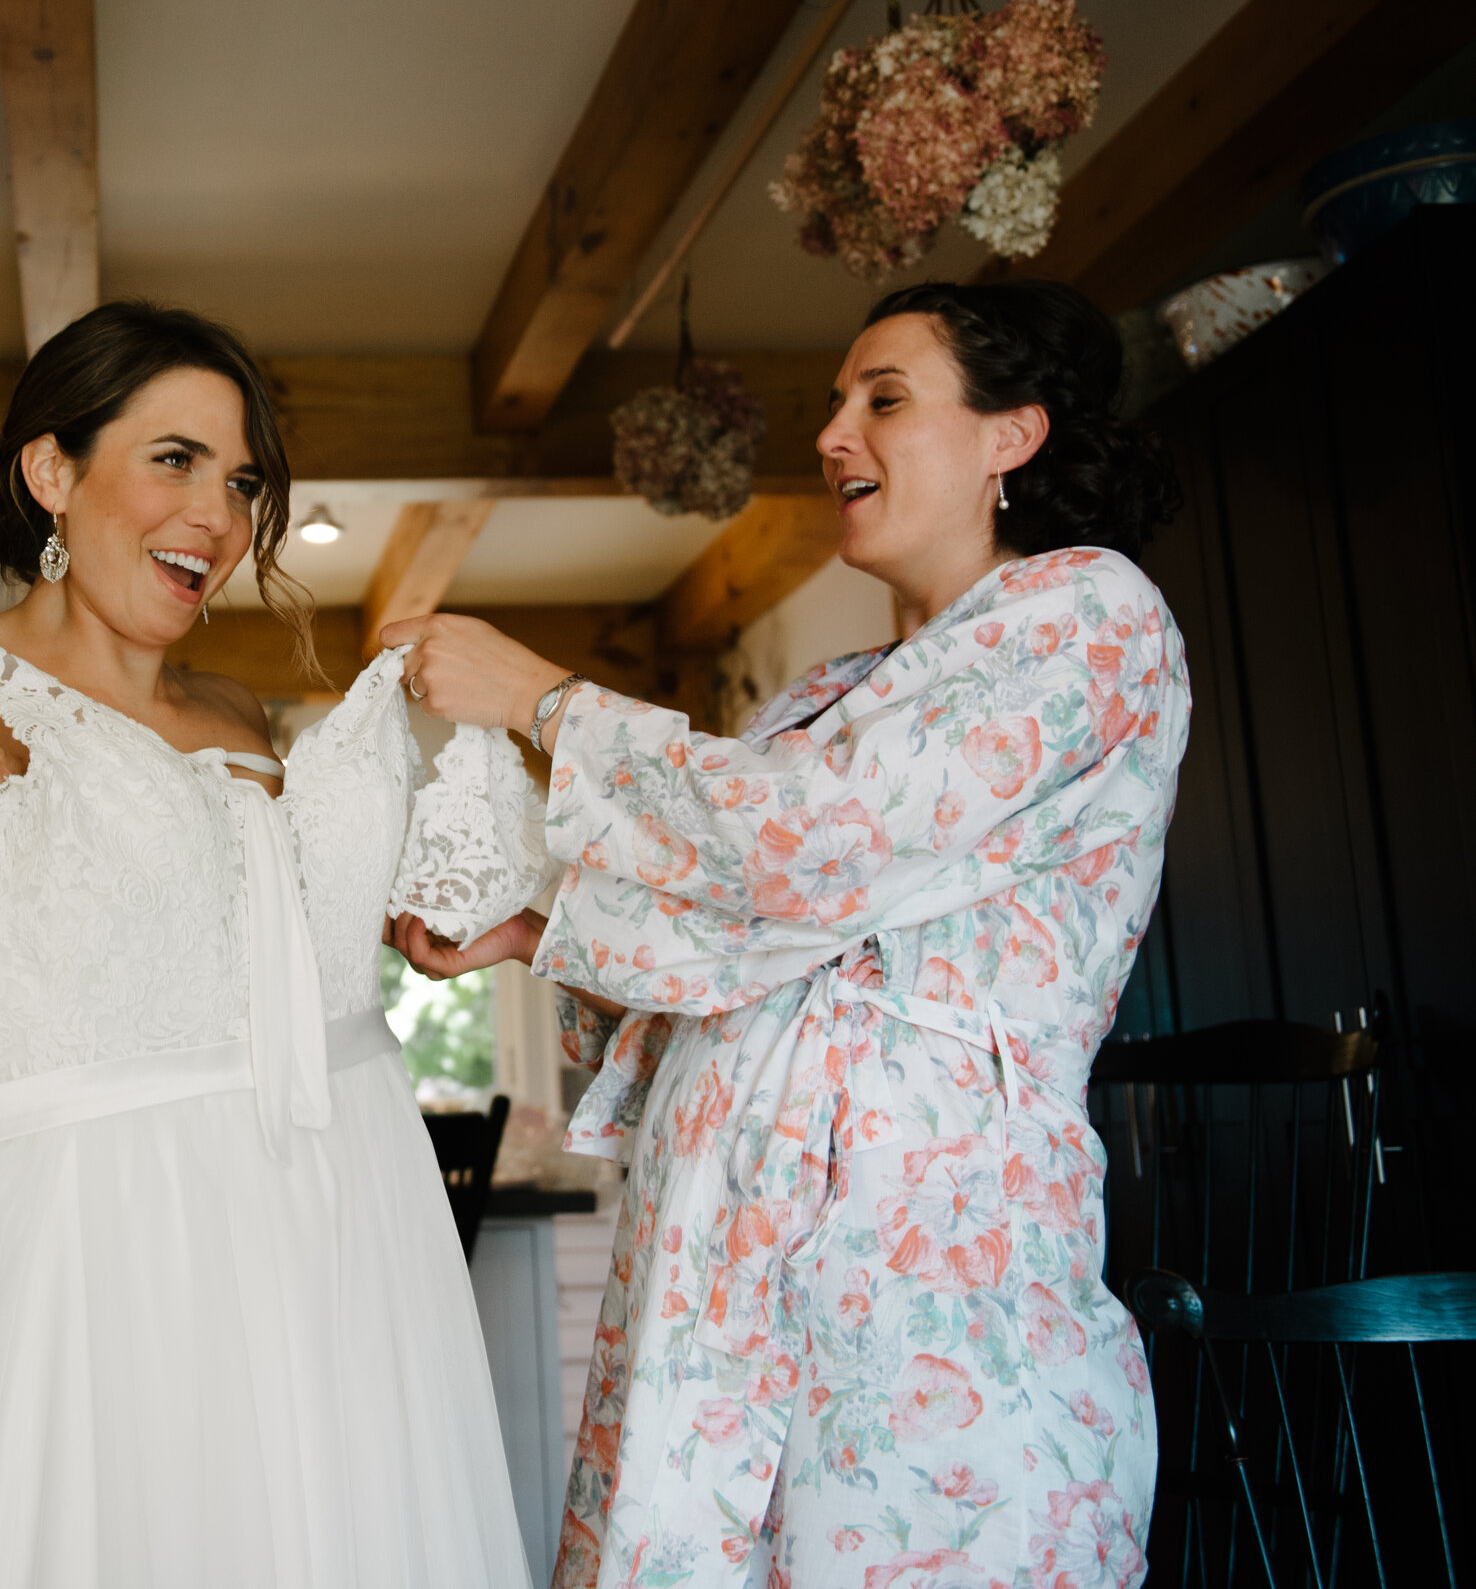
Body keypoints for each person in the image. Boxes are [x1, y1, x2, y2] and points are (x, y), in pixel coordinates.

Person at [385, 280, 1188, 1587]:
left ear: (1013, 436)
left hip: (922, 1261)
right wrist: (531, 932)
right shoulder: (823, 698)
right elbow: (734, 938)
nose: (830, 435)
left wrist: (546, 698)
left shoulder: (1088, 618)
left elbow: (818, 839)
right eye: (832, 404)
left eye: (883, 398)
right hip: (721, 1273)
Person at [0, 300, 539, 1588]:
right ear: (52, 473)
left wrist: (425, 919)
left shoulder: (235, 710)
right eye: (173, 459)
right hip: (70, 1262)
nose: (220, 518)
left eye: (241, 481)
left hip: (326, 1226)